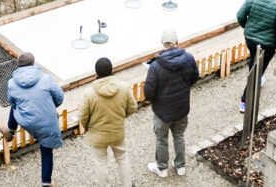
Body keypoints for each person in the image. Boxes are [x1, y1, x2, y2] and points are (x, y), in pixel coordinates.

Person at [0, 53, 64, 187]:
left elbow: (12, 101)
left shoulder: (11, 83)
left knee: (15, 104)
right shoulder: (47, 79)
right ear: (33, 63)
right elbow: (60, 98)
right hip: (46, 121)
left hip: (24, 120)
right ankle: (46, 182)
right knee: (46, 150)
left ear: (18, 66)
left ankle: (11, 131)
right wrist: (49, 106)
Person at [143, 27, 198, 178]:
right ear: (177, 42)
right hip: (181, 108)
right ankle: (180, 166)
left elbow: (148, 92)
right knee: (179, 136)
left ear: (162, 43)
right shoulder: (188, 58)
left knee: (161, 139)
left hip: (162, 111)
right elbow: (194, 77)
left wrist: (155, 98)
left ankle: (162, 168)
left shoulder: (156, 66)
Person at [79, 57, 137, 187]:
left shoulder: (89, 93)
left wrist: (90, 127)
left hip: (97, 136)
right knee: (122, 157)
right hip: (117, 132)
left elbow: (83, 117)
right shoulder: (123, 87)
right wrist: (120, 117)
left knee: (101, 162)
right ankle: (127, 184)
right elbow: (132, 108)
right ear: (112, 70)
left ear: (96, 73)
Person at [236, 0, 276, 113]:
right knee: (257, 69)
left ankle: (257, 79)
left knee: (254, 59)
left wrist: (247, 28)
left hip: (250, 39)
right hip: (266, 43)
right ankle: (244, 101)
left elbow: (240, 15)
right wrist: (275, 45)